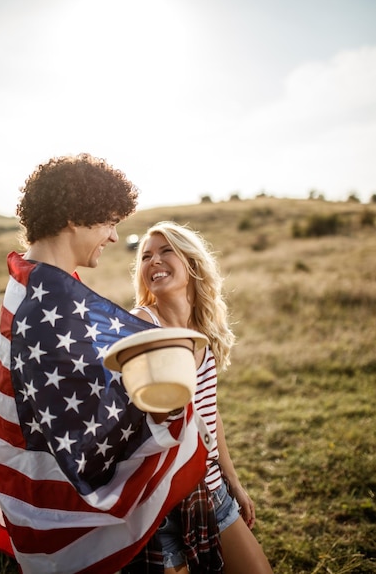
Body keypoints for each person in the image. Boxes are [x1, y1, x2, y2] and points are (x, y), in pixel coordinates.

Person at [0, 155, 212, 574]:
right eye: (108, 221)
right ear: (75, 216)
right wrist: (163, 398)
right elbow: (83, 419)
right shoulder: (47, 296)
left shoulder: (39, 283)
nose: (112, 236)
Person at [130, 221, 273, 574]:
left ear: (192, 262)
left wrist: (232, 481)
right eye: (146, 256)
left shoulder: (202, 330)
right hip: (160, 501)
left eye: (166, 251)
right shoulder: (142, 325)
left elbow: (209, 413)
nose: (154, 261)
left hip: (209, 488)